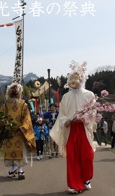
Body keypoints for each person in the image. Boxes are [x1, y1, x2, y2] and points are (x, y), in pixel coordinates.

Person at [50, 61, 96, 194]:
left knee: (87, 156)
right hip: (70, 129)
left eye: (77, 78)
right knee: (72, 157)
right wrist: (66, 121)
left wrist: (84, 118)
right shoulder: (66, 96)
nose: (74, 81)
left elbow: (93, 112)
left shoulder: (89, 95)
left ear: (82, 79)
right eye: (72, 78)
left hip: (83, 128)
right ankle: (74, 184)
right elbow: (62, 114)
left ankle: (86, 178)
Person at [0, 82, 36, 179]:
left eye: (16, 93)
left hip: (20, 132)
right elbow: (1, 117)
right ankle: (14, 169)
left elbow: (27, 118)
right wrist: (4, 123)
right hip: (9, 132)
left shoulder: (23, 105)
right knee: (11, 151)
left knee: (19, 151)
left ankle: (19, 170)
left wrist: (23, 128)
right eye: (13, 92)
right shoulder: (5, 105)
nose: (14, 94)